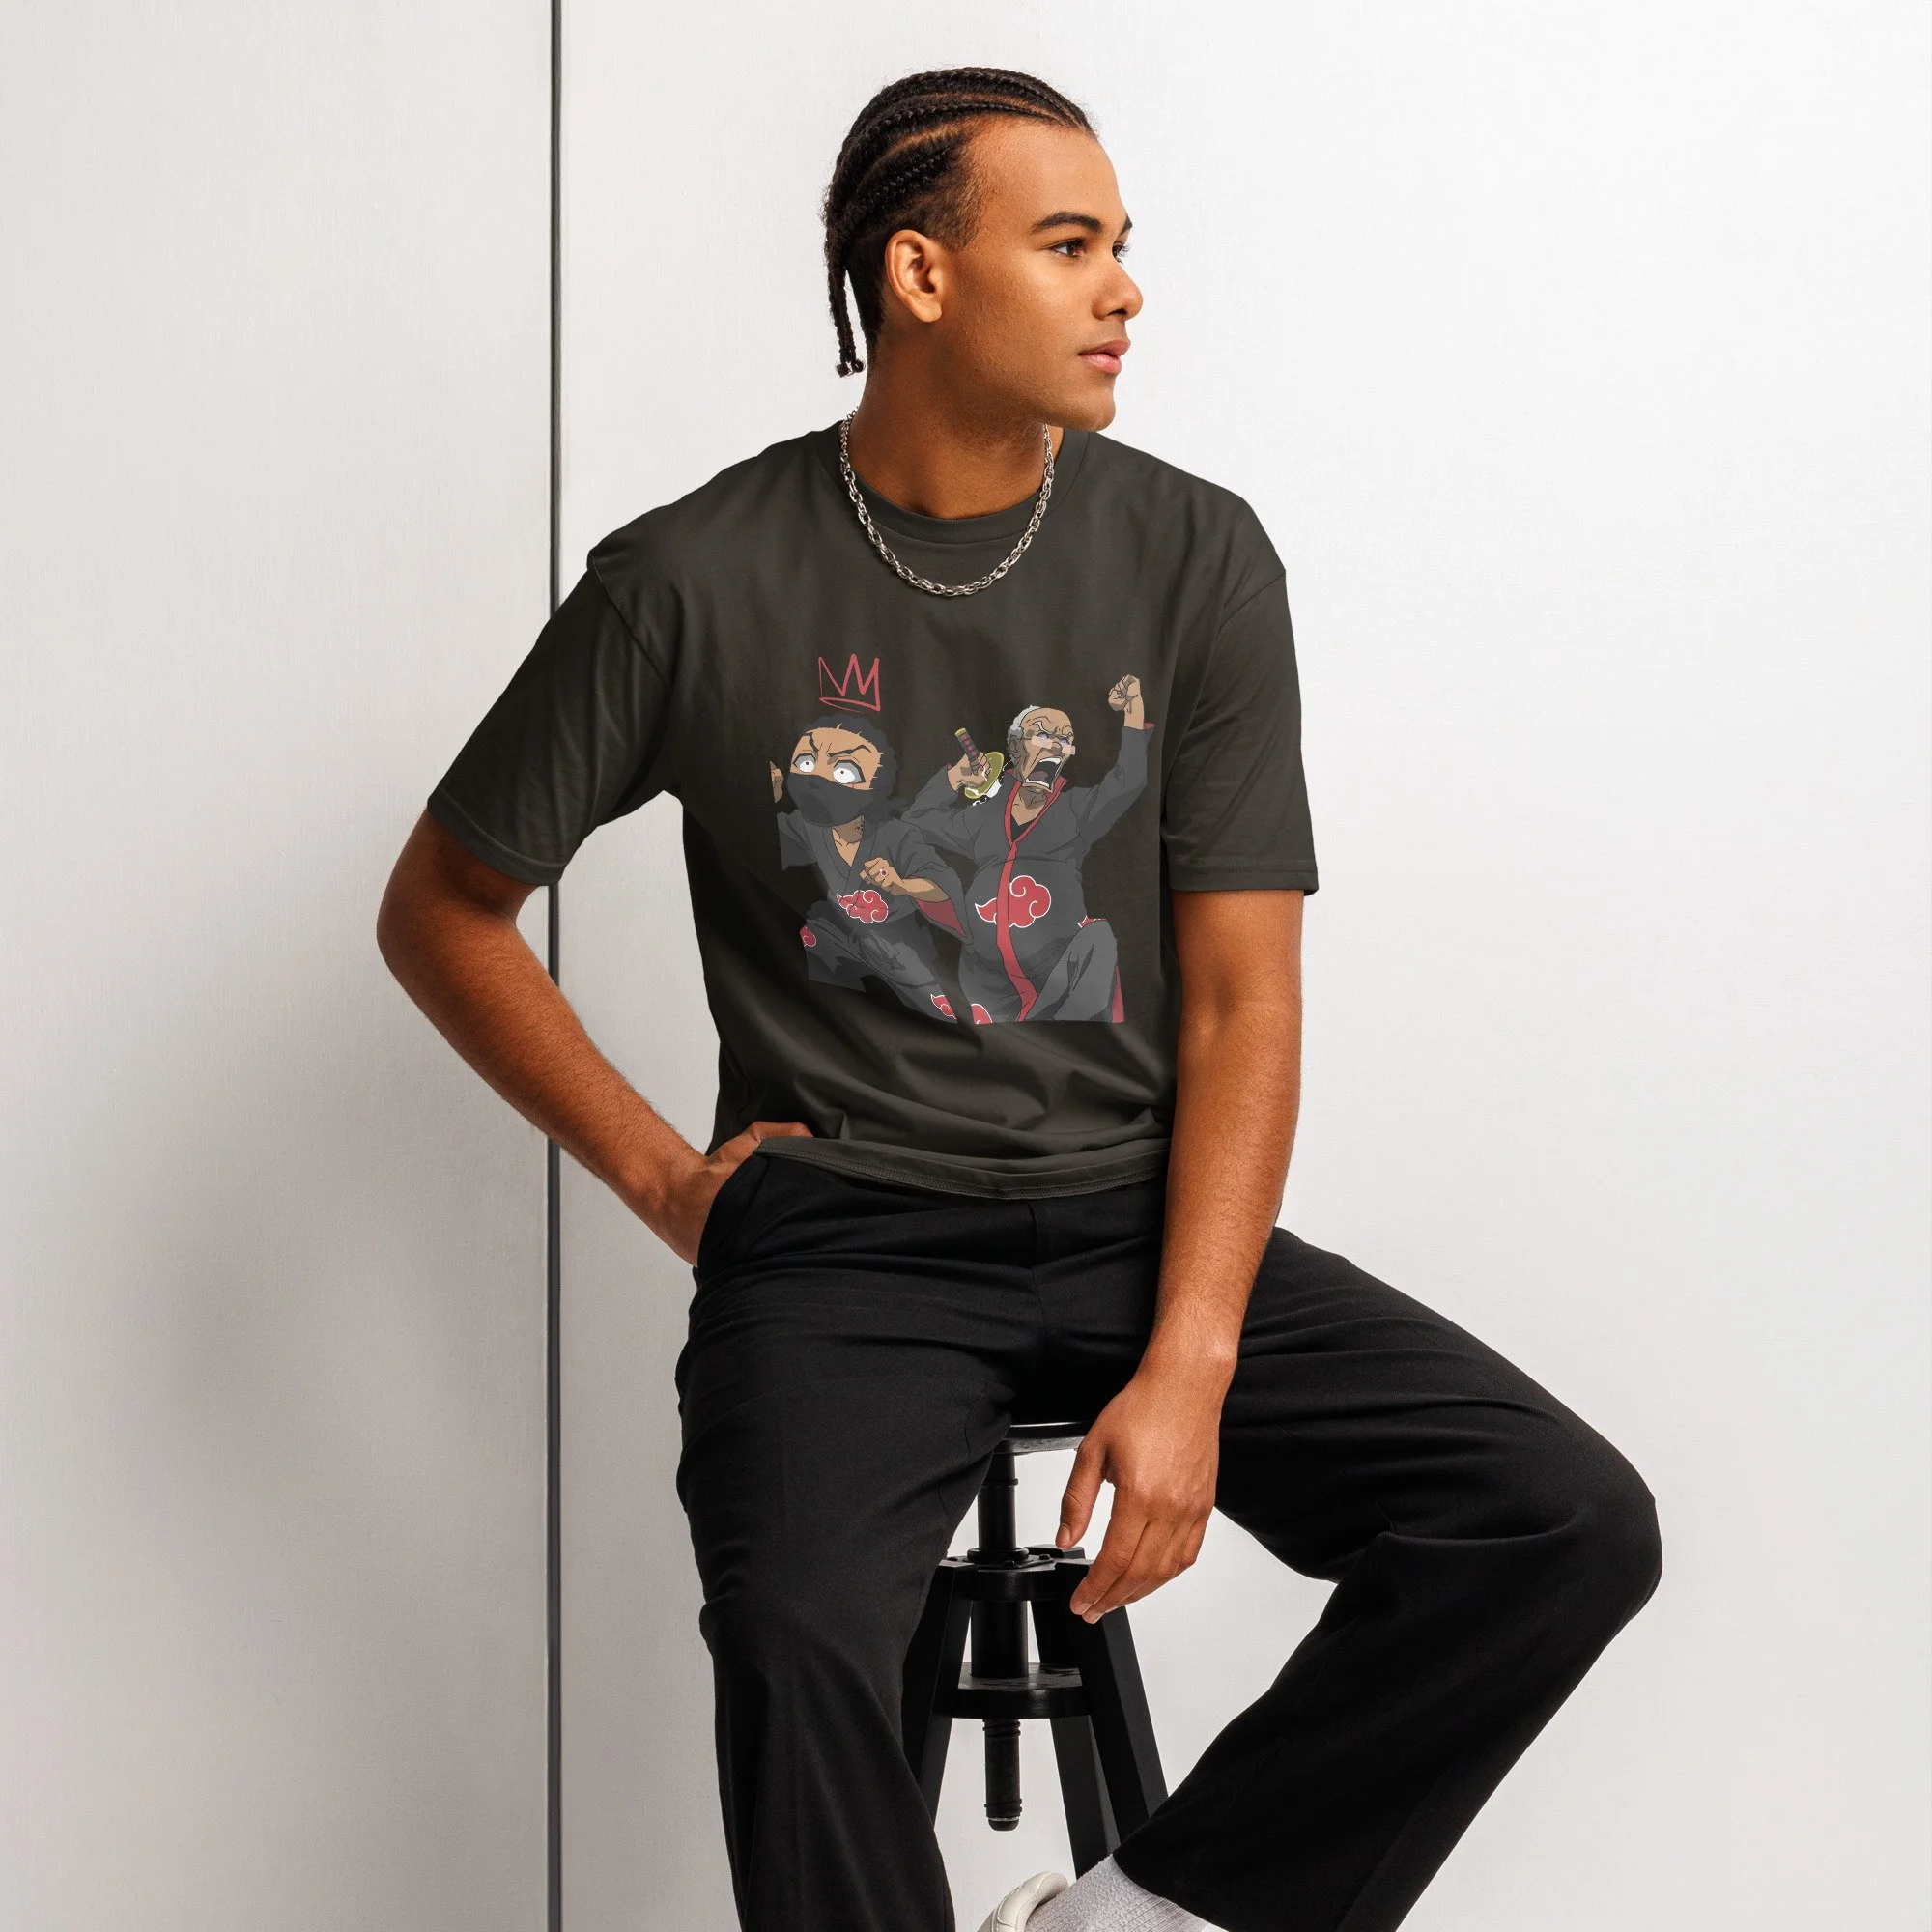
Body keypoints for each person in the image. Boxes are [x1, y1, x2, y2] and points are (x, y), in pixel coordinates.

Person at [376, 66, 1662, 1932]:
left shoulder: (1195, 557)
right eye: (1069, 245)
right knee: (800, 1636)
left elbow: (1241, 1004)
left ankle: (1142, 1924)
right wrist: (667, 1183)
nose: (1124, 288)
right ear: (919, 275)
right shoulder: (688, 583)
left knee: (1559, 1519)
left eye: (1121, 245)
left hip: (1141, 1218)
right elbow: (446, 908)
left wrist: (1195, 1359)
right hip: (845, 1240)